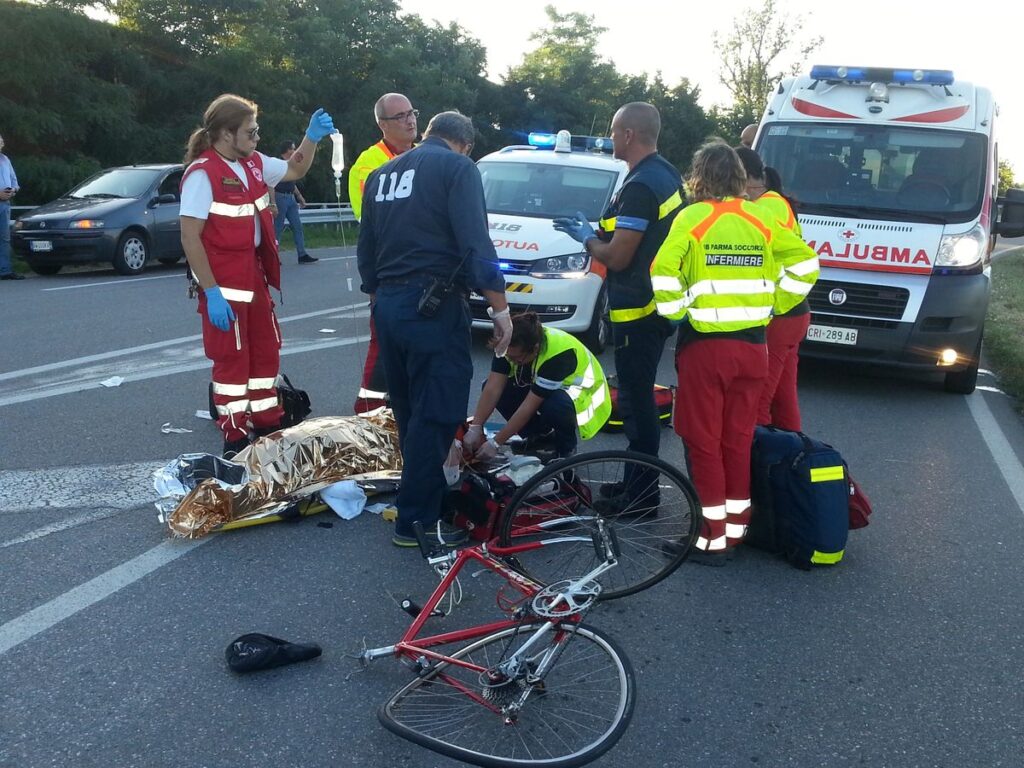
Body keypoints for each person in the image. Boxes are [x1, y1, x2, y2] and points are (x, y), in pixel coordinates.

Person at [651, 140, 816, 562]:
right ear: (741, 178)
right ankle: (737, 529)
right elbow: (805, 263)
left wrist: (677, 313)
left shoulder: (694, 218)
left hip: (708, 348)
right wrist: (777, 304)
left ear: (699, 176)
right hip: (753, 347)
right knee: (738, 439)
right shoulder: (760, 218)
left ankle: (711, 538)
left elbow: (663, 270)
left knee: (702, 441)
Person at [357, 110, 509, 549]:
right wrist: (499, 309)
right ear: (464, 144)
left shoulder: (383, 174)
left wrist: (381, 300)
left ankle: (416, 497)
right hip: (434, 306)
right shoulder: (458, 168)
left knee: (408, 410)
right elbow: (476, 244)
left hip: (388, 304)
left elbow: (367, 251)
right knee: (438, 410)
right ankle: (417, 520)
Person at [180, 94, 335, 458]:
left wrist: (311, 139)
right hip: (224, 281)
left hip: (253, 274)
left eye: (257, 130)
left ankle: (267, 421)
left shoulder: (251, 164)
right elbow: (190, 237)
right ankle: (234, 434)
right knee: (232, 360)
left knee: (265, 355)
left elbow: (295, 170)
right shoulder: (203, 174)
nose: (257, 137)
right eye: (250, 132)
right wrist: (211, 291)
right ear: (225, 133)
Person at [552, 102, 683, 511]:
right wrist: (597, 234)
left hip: (639, 311)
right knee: (636, 400)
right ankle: (634, 483)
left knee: (637, 405)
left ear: (628, 134)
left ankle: (641, 498)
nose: (610, 138)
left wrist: (586, 240)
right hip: (652, 307)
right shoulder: (661, 174)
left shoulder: (643, 185)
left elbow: (620, 256)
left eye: (612, 131)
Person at [735, 147, 819, 431]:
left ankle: (761, 468)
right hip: (793, 311)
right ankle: (792, 460)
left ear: (743, 177)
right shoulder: (775, 201)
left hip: (779, 313)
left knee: (759, 403)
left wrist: (772, 307)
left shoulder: (763, 208)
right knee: (783, 401)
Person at [349, 93, 419, 414]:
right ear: (382, 124)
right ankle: (367, 410)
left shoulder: (423, 155)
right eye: (400, 116)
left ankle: (397, 409)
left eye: (412, 113)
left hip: (420, 268)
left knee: (414, 347)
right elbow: (375, 222)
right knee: (384, 343)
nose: (410, 120)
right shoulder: (369, 164)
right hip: (390, 270)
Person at [464, 312, 611, 462]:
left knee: (555, 406)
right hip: (550, 388)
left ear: (535, 349)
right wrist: (476, 427)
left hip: (583, 394)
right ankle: (541, 438)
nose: (512, 361)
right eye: (508, 357)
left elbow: (529, 406)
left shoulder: (558, 355)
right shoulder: (508, 346)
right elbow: (493, 388)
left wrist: (495, 443)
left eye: (516, 358)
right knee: (497, 390)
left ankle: (566, 449)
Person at [272, 140, 316, 264]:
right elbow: (270, 182)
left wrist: (299, 196)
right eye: (292, 148)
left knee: (297, 226)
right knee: (277, 228)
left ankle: (302, 254)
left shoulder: (291, 165)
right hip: (280, 196)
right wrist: (273, 202)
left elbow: (292, 182)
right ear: (286, 150)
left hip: (291, 197)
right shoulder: (278, 164)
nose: (295, 150)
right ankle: (273, 256)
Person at [0, 133, 24, 281]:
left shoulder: (5, 160)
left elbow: (14, 181)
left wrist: (13, 190)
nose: (2, 142)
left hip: (4, 204)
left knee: (4, 238)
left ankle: (5, 270)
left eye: (2, 140)